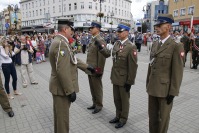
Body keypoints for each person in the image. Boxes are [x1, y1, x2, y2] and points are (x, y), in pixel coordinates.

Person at [49, 19, 95, 133]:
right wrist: (70, 91)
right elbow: (62, 70)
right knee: (62, 120)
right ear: (65, 29)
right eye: (71, 29)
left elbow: (72, 59)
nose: (72, 32)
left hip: (60, 87)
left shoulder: (61, 42)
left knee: (60, 120)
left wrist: (86, 66)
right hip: (62, 89)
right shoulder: (61, 44)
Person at [146, 14, 184, 133]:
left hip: (165, 91)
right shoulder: (155, 44)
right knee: (152, 118)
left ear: (168, 26)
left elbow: (178, 72)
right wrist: (148, 83)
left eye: (159, 25)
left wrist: (173, 92)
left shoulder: (176, 46)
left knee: (163, 119)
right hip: (152, 88)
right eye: (156, 25)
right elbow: (151, 66)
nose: (156, 27)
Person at [109, 22, 138, 128]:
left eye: (120, 31)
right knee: (116, 99)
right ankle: (118, 115)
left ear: (126, 32)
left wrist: (130, 81)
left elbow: (133, 66)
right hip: (115, 77)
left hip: (124, 79)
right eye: (118, 31)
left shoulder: (131, 47)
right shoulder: (117, 44)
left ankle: (123, 118)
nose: (118, 33)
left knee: (124, 100)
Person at [86, 21, 110, 114]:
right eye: (90, 28)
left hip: (96, 69)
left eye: (92, 27)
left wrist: (99, 70)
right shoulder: (93, 39)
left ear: (98, 29)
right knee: (92, 87)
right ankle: (94, 103)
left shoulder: (99, 40)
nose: (90, 29)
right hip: (90, 68)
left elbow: (102, 57)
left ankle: (99, 105)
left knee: (97, 87)